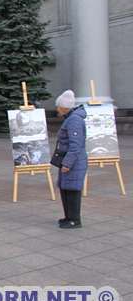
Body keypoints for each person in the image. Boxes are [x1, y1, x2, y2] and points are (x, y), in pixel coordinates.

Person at [54, 90, 87, 229]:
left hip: (73, 162)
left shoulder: (74, 120)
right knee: (65, 188)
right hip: (69, 160)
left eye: (58, 107)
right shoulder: (71, 118)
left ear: (63, 107)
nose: (56, 109)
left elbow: (75, 145)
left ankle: (74, 220)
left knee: (72, 190)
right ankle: (68, 217)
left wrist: (67, 163)